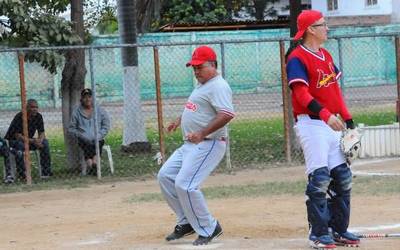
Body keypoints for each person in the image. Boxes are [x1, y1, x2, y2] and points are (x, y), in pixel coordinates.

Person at [286, 10, 360, 249]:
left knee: (342, 177)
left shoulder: (325, 55)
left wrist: (347, 118)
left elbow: (334, 91)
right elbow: (300, 93)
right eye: (323, 24)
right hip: (311, 124)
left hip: (331, 125)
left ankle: (338, 229)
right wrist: (326, 114)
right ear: (310, 29)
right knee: (319, 179)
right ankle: (318, 233)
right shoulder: (296, 57)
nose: (327, 28)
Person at [157, 46, 235, 246]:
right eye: (194, 67)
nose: (196, 71)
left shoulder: (218, 86)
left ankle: (209, 227)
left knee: (186, 184)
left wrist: (202, 133)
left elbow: (226, 114)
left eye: (200, 67)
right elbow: (196, 109)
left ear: (213, 65)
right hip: (191, 145)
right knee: (165, 176)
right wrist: (178, 120)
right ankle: (187, 222)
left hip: (209, 144)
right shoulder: (203, 84)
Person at [5, 99, 52, 180]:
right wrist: (33, 141)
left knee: (45, 143)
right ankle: (22, 173)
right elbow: (17, 136)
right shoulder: (20, 116)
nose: (35, 109)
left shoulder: (38, 116)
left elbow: (42, 132)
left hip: (28, 140)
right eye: (32, 107)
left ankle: (46, 172)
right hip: (14, 141)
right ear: (27, 108)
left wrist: (39, 140)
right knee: (20, 145)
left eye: (36, 107)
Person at [68, 88, 110, 175]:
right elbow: (71, 128)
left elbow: (106, 126)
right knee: (86, 143)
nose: (87, 99)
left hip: (98, 137)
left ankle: (92, 165)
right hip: (83, 139)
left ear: (93, 98)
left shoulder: (100, 111)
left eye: (89, 97)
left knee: (98, 142)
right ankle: (94, 165)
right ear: (81, 99)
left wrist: (99, 134)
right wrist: (80, 134)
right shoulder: (76, 112)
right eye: (85, 97)